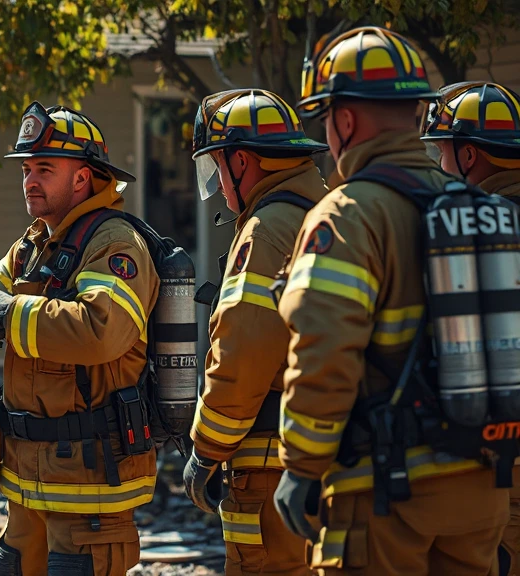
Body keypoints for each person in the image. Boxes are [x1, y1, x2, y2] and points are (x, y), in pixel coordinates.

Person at [274, 26, 508, 574]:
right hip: (482, 486)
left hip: (386, 495)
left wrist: (302, 466)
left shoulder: (348, 216)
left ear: (344, 121)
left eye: (326, 119)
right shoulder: (475, 207)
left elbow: (324, 349)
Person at [0, 102, 159, 576]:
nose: (30, 180)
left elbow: (100, 330)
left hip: (90, 481)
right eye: (27, 169)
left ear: (83, 177)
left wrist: (9, 315)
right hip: (27, 477)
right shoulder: (33, 245)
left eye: (45, 169)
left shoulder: (115, 243)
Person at [183, 88, 328, 575]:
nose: (218, 186)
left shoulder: (265, 230)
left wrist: (206, 450)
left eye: (217, 167)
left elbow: (241, 355)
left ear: (241, 161)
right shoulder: (332, 215)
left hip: (270, 464)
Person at [420, 80, 520, 575]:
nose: (439, 165)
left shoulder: (469, 234)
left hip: (500, 456)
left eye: (441, 151)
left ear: (468, 155)